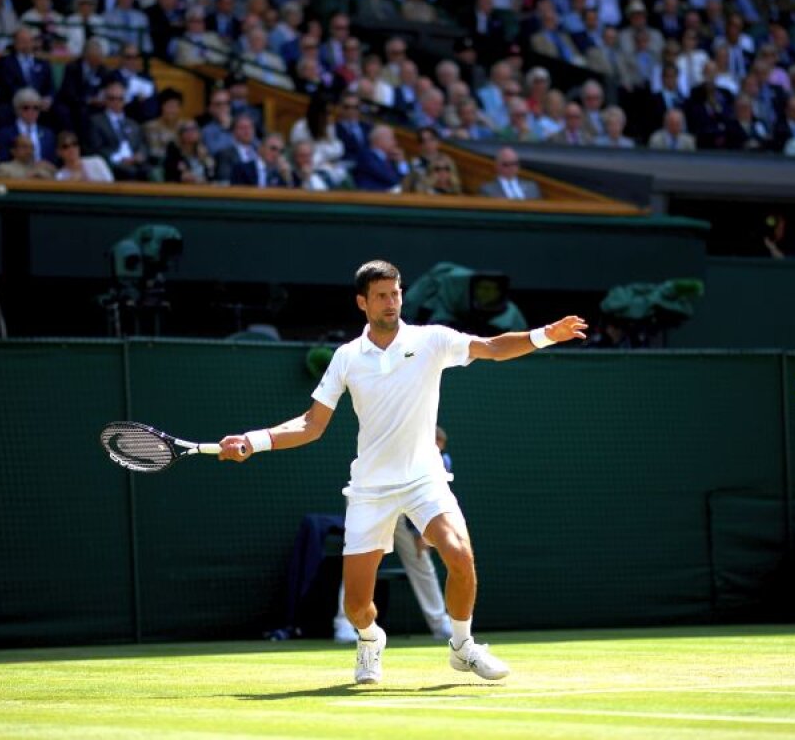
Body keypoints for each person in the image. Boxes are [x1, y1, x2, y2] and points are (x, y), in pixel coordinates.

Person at [216, 260, 587, 684]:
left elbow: (493, 347)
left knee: (460, 555)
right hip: (370, 489)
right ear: (362, 302)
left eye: (396, 293)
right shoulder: (346, 358)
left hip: (424, 480)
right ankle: (370, 639)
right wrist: (254, 440)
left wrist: (545, 334)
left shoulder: (432, 340)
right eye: (381, 296)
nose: (391, 302)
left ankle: (462, 646)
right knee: (357, 607)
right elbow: (311, 425)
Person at [331, 424, 457, 644]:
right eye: (435, 445)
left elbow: (429, 495)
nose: (438, 451)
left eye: (440, 448)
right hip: (372, 499)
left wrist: (423, 531)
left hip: (406, 511)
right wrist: (418, 529)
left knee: (421, 561)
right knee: (360, 562)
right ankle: (344, 623)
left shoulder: (440, 461)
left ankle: (441, 623)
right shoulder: (394, 448)